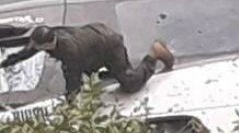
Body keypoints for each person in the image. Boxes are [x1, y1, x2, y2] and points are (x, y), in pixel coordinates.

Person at [0, 24, 174, 98]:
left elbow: (72, 81)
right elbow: (28, 51)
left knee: (130, 83)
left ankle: (153, 55)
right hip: (94, 38)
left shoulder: (69, 52)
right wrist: (6, 63)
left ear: (46, 44)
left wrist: (71, 107)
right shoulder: (52, 35)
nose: (34, 47)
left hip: (109, 45)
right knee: (94, 72)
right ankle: (106, 71)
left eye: (37, 46)